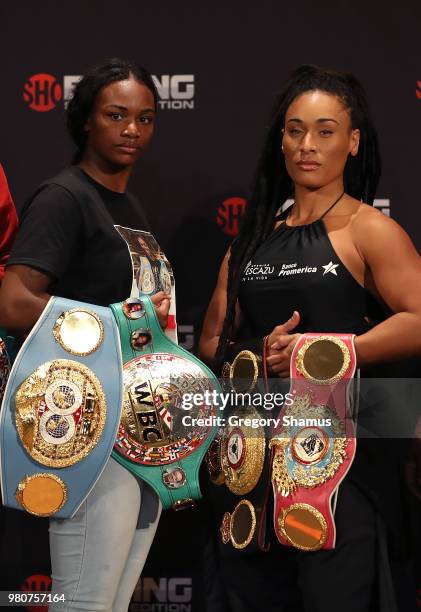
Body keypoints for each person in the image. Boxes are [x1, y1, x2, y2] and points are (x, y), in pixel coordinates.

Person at [199, 65, 421, 612]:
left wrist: (316, 353)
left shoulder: (369, 229)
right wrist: (258, 356)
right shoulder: (252, 240)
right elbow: (209, 344)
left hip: (342, 470)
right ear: (281, 141)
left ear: (352, 142)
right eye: (295, 130)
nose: (308, 145)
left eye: (325, 131)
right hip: (248, 474)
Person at [0, 58, 170, 612]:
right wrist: (115, 323)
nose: (131, 130)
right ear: (85, 121)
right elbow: (16, 300)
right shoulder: (64, 197)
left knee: (110, 602)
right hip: (89, 432)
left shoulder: (128, 205)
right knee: (87, 602)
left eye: (144, 119)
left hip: (137, 429)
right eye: (116, 115)